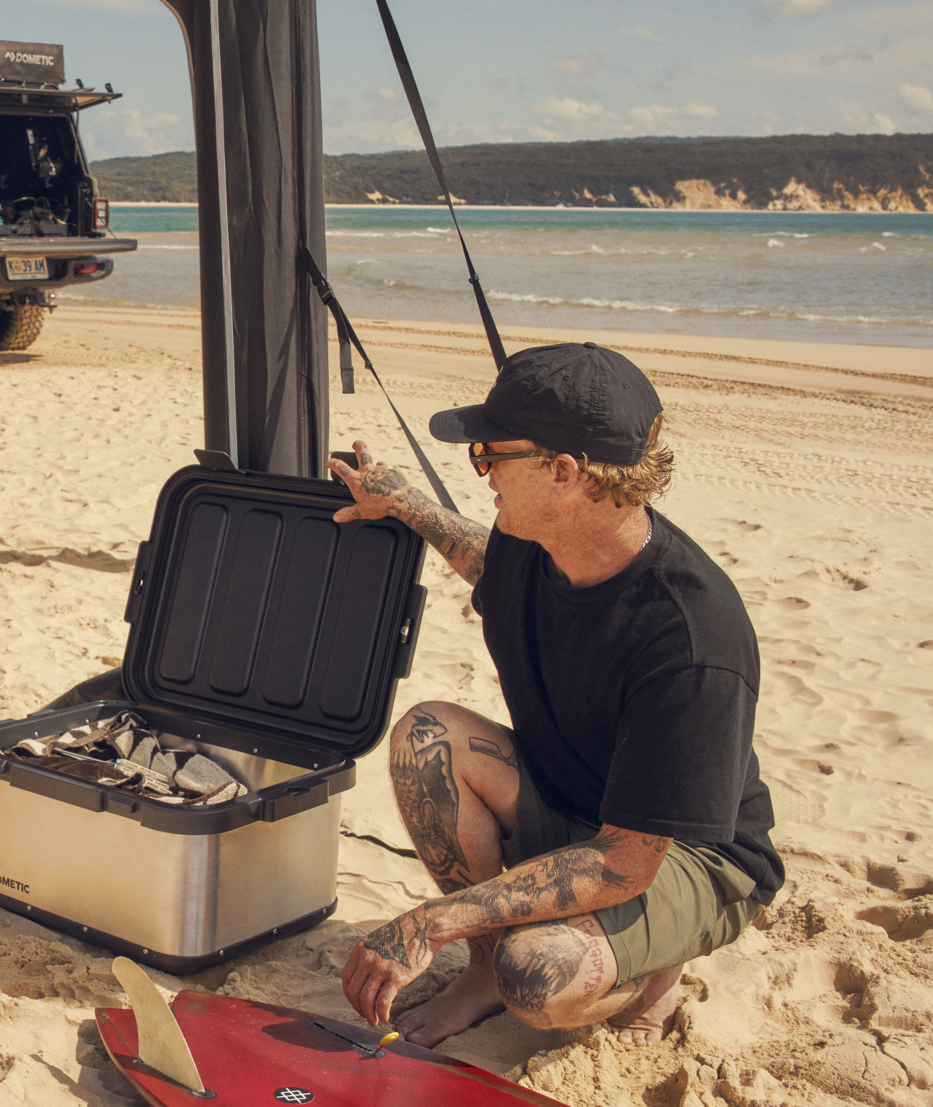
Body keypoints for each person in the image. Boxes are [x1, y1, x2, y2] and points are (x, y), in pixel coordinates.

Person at [326, 342, 783, 1049]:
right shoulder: (538, 542)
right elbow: (485, 562)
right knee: (427, 738)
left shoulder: (692, 640)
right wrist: (406, 505)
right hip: (578, 805)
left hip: (684, 855)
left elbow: (625, 862)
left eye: (490, 454)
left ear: (564, 472)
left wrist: (437, 919)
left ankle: (658, 970)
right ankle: (480, 975)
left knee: (536, 975)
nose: (481, 474)